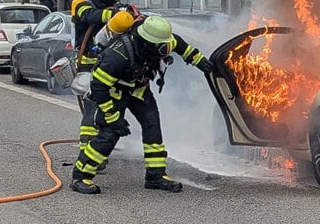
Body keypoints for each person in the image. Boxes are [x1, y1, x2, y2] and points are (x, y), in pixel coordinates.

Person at [70, 15, 214, 195]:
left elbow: (182, 46)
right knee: (110, 134)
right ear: (147, 42)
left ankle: (155, 176)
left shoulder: (162, 41)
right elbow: (98, 87)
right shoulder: (117, 55)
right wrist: (113, 117)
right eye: (161, 47)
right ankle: (80, 176)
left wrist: (201, 62)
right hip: (113, 92)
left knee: (152, 125)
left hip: (138, 90)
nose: (165, 49)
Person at [72, 0, 130, 155]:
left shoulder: (113, 10)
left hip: (107, 66)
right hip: (88, 65)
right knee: (92, 107)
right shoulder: (81, 4)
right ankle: (87, 151)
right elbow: (91, 16)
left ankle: (100, 147)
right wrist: (116, 14)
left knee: (108, 107)